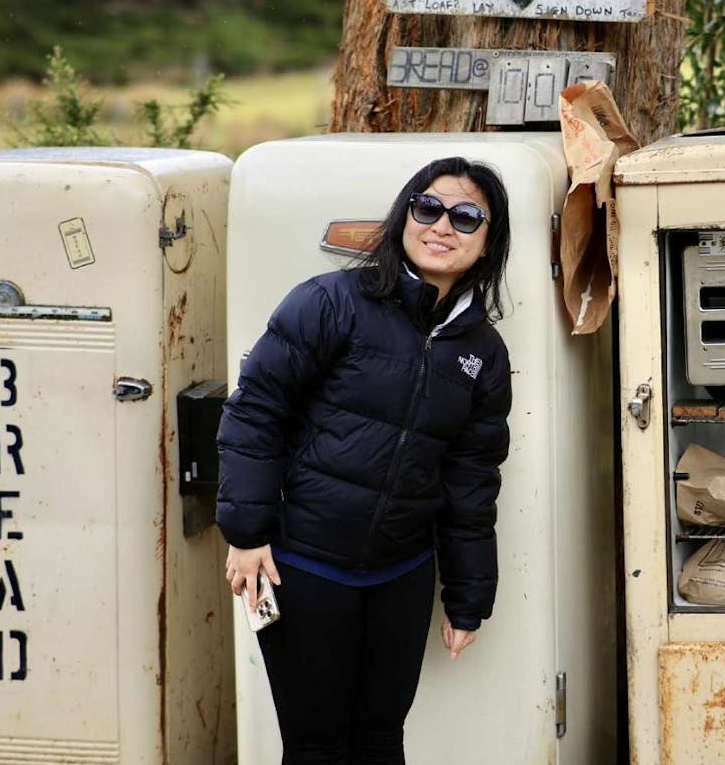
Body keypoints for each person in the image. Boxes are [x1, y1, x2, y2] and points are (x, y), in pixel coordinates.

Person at [216, 156, 514, 764]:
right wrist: (246, 534)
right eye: (427, 207)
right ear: (405, 215)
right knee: (317, 747)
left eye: (466, 217)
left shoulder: (482, 352)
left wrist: (467, 597)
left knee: (381, 743)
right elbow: (256, 413)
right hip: (303, 565)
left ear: (487, 244)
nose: (441, 226)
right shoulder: (331, 303)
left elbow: (471, 481)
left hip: (400, 574)